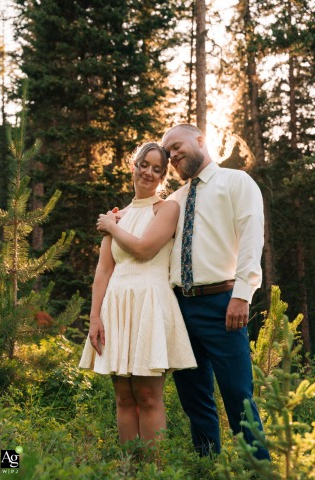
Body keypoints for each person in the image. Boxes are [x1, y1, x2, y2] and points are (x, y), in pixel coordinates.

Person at [160, 123, 270, 460]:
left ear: (200, 140)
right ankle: (206, 467)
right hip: (180, 307)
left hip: (224, 304)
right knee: (195, 398)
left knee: (239, 395)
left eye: (176, 146)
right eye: (168, 154)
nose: (172, 155)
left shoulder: (236, 182)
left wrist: (242, 294)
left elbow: (252, 238)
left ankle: (258, 468)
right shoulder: (174, 201)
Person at [79, 142, 197, 448]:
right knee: (123, 396)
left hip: (149, 302)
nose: (149, 172)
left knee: (147, 395)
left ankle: (153, 470)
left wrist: (110, 226)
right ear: (134, 165)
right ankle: (128, 469)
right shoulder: (120, 216)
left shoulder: (167, 208)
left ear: (162, 177)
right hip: (116, 305)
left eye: (157, 169)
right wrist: (95, 318)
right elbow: (104, 271)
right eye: (144, 164)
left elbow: (144, 249)